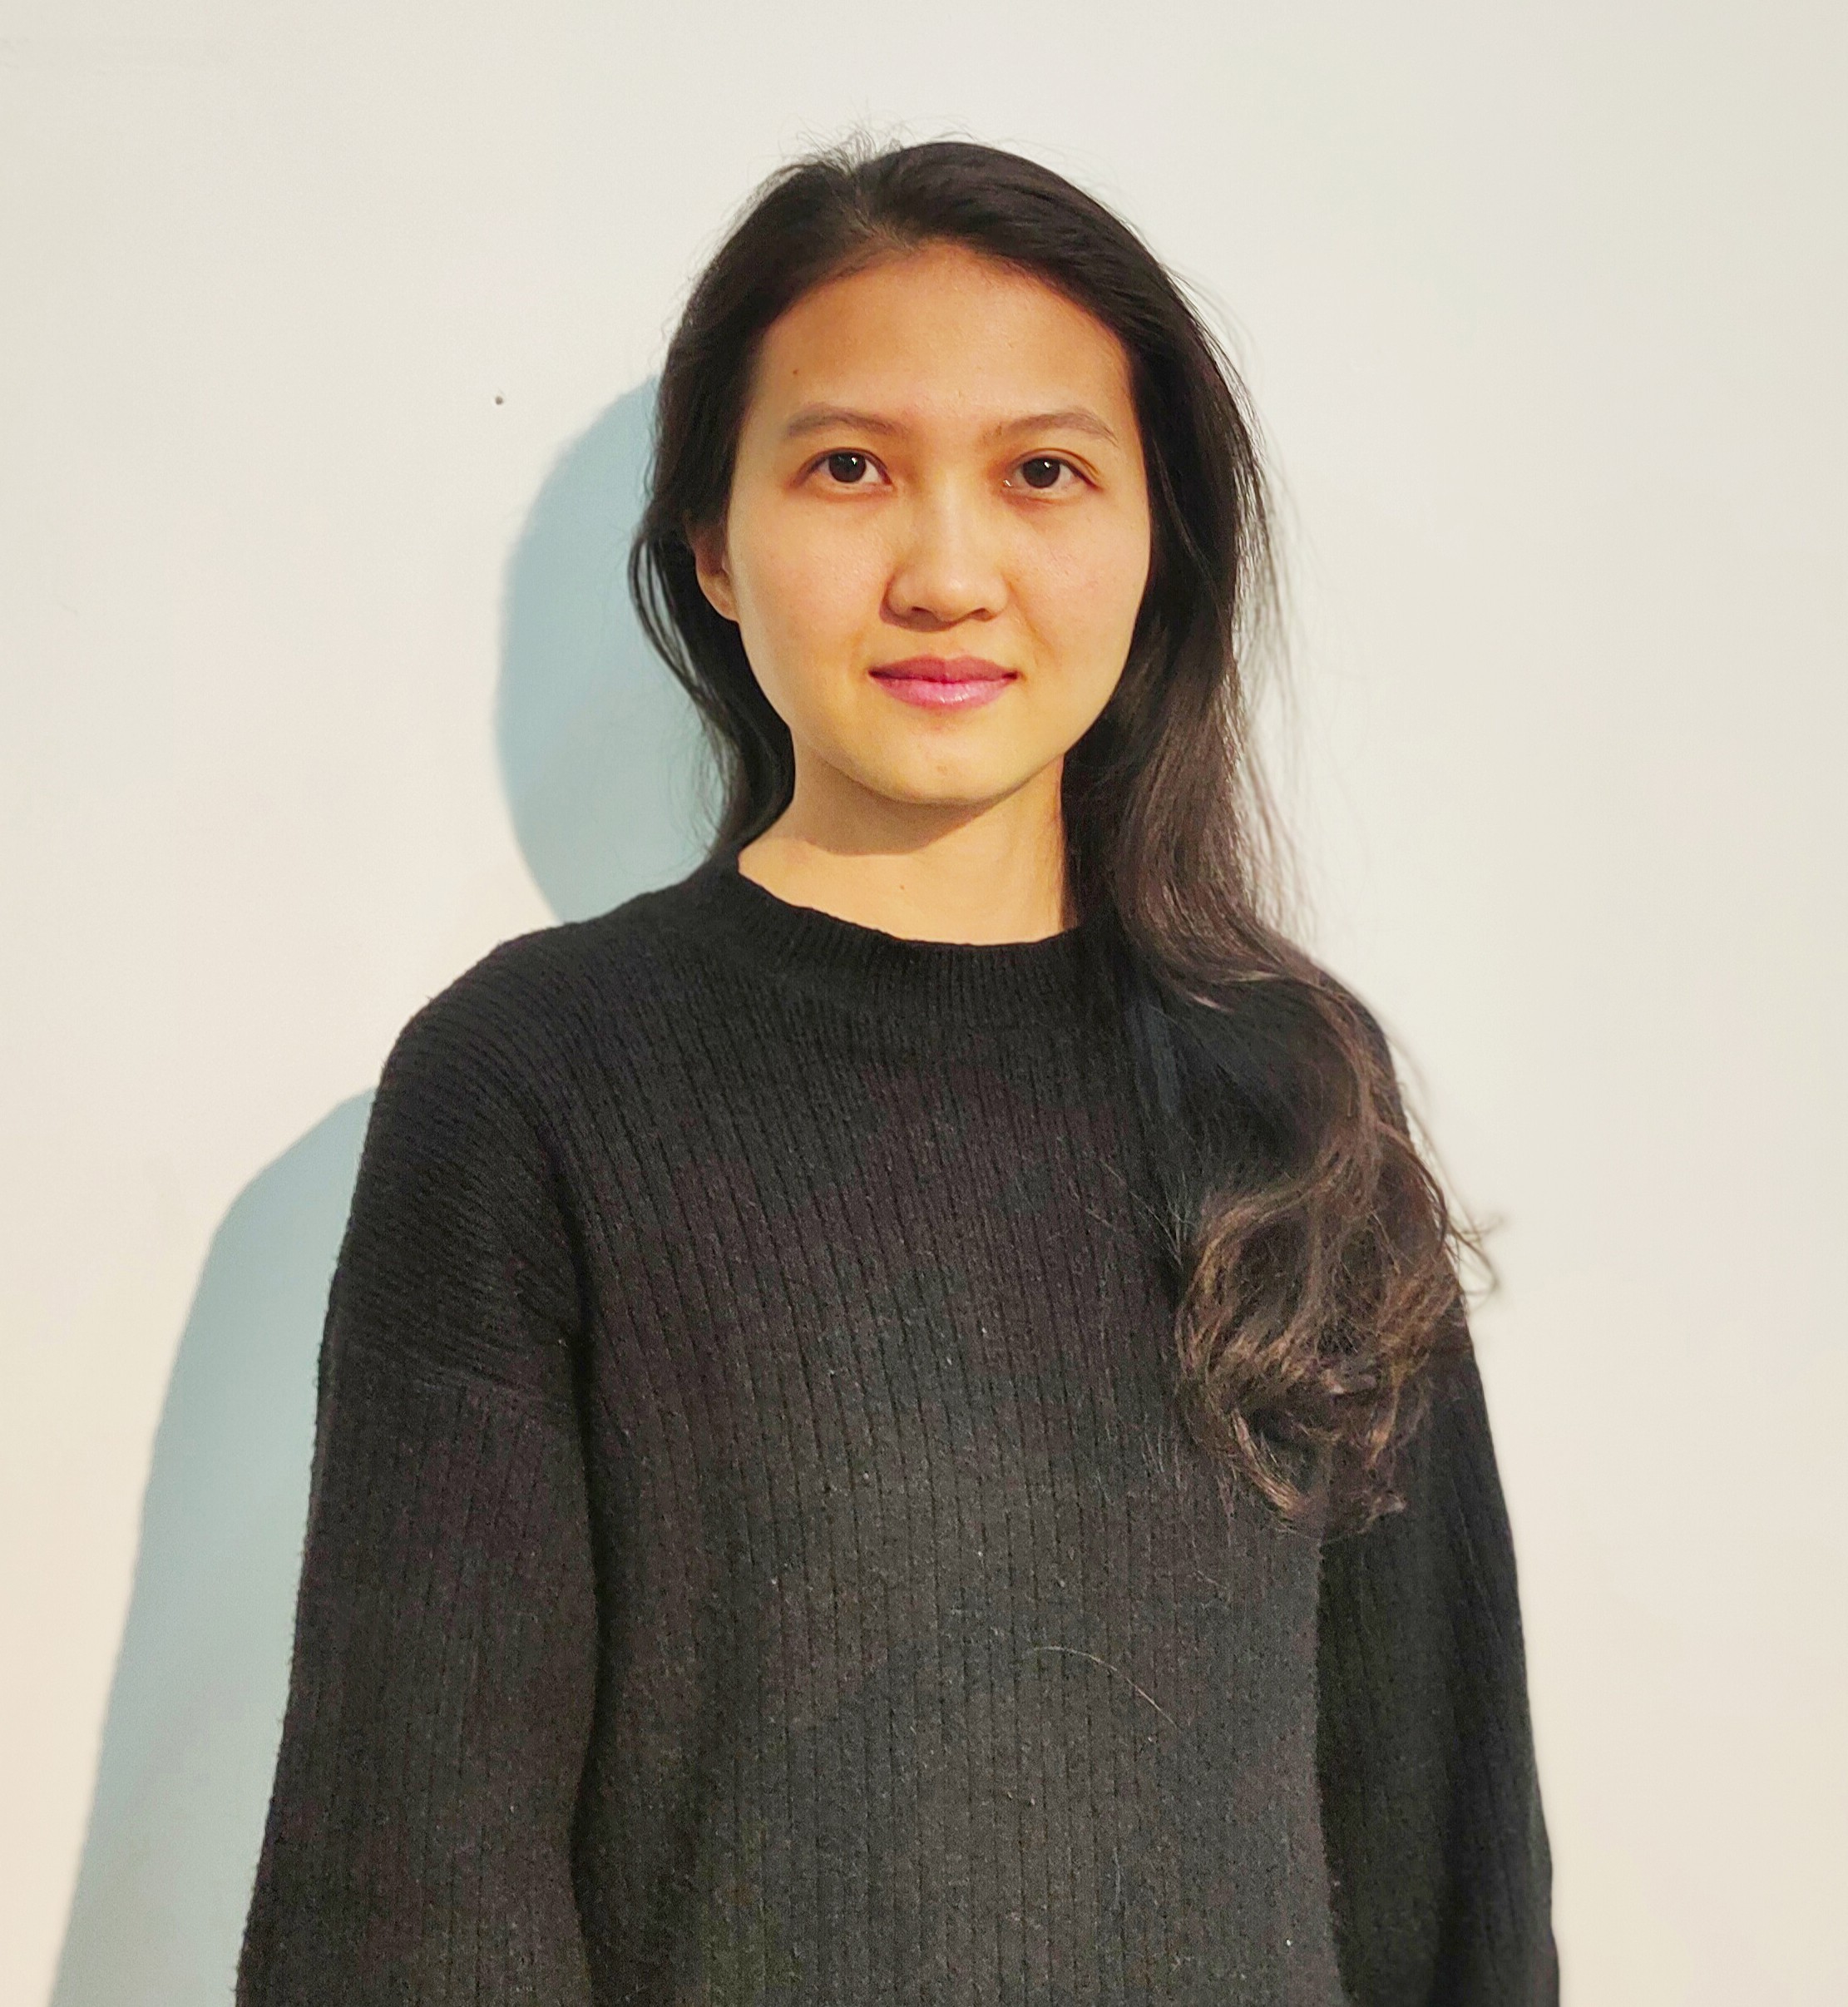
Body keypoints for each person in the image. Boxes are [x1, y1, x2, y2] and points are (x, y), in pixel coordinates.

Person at [237, 137, 1555, 2006]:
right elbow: (413, 1884)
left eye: (1043, 473)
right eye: (849, 467)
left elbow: (1438, 1854)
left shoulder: (1295, 1098)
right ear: (713, 541)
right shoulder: (531, 1091)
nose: (947, 574)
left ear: (1158, 540)